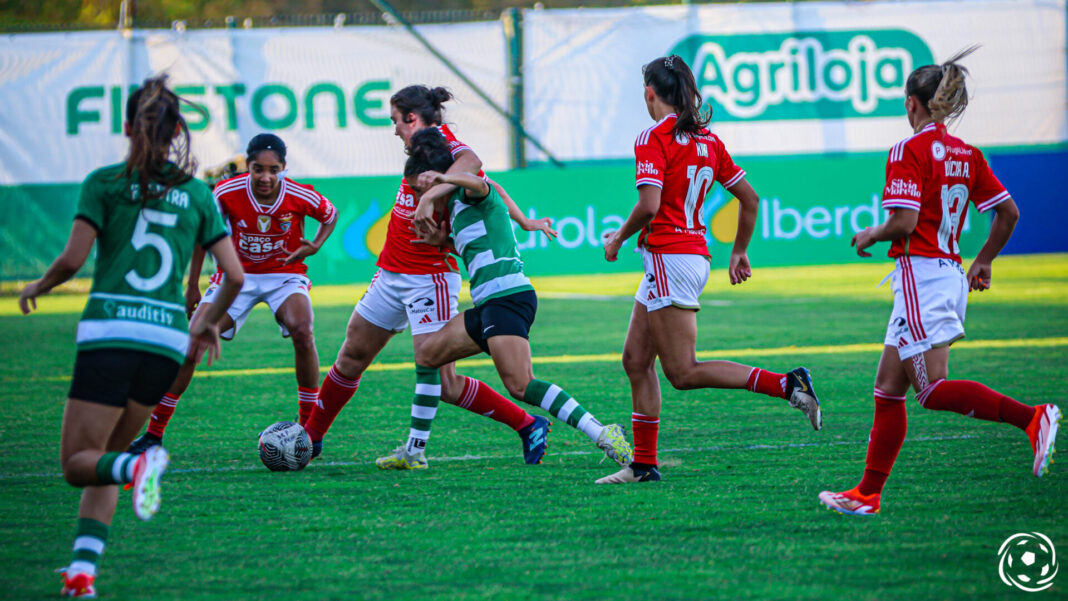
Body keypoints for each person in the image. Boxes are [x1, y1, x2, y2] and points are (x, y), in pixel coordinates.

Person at [17, 76, 243, 598]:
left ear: (125, 127)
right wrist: (206, 322)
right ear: (178, 130)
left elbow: (73, 260)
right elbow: (233, 275)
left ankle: (142, 463)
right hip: (166, 342)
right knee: (105, 462)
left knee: (78, 464)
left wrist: (39, 284)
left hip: (111, 335)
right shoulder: (196, 194)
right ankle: (82, 573)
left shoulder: (103, 182)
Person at [818, 48, 1061, 516]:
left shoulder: (907, 150)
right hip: (947, 271)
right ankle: (867, 495)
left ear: (913, 103)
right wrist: (984, 261)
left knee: (930, 391)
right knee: (888, 390)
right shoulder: (967, 154)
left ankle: (1033, 417)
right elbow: (1008, 212)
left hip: (920, 276)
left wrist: (872, 232)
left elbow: (904, 222)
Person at [304, 85, 559, 467]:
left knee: (445, 382)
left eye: (395, 121)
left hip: (430, 278)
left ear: (412, 118)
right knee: (351, 353)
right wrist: (522, 218)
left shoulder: (450, 147)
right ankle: (310, 437)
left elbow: (474, 165)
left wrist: (429, 196)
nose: (393, 130)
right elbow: (490, 184)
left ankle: (526, 424)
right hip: (391, 271)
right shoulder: (423, 148)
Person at [597, 55, 822, 485]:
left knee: (682, 372)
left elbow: (649, 206)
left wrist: (617, 239)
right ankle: (643, 465)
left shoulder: (652, 137)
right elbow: (751, 198)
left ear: (649, 93)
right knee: (635, 360)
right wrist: (739, 251)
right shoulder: (708, 140)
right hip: (690, 256)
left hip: (669, 257)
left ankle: (787, 384)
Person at [379, 127, 634, 470]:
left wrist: (443, 178)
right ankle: (414, 452)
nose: (419, 196)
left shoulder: (468, 193)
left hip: (508, 297)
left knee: (520, 384)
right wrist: (442, 241)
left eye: (420, 189)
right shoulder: (454, 208)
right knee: (427, 356)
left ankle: (603, 432)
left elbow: (482, 184)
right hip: (488, 304)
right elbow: (480, 237)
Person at [127, 133, 338, 452]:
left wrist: (316, 244)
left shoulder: (298, 194)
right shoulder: (226, 192)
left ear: (283, 168)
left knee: (303, 331)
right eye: (258, 168)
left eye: (273, 169)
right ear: (248, 166)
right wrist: (193, 284)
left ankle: (309, 432)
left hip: (284, 275)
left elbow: (330, 215)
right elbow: (203, 236)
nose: (265, 177)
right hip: (234, 279)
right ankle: (154, 434)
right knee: (191, 345)